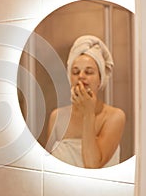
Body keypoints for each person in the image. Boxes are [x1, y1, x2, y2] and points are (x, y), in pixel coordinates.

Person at [45, 35, 125, 168]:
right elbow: (48, 169)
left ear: (100, 80)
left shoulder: (115, 117)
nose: (81, 76)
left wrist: (88, 113)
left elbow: (92, 165)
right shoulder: (57, 117)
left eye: (89, 72)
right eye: (75, 72)